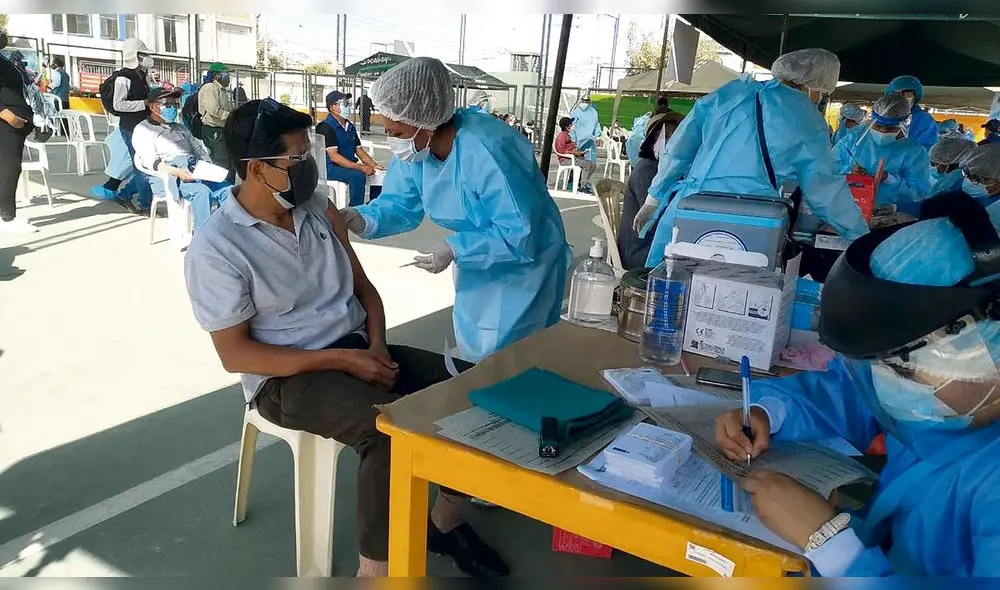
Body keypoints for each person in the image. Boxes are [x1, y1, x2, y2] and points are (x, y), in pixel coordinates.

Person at [184, 98, 509, 578]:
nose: (308, 168)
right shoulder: (218, 247)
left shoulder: (316, 209)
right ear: (256, 169)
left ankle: (442, 522)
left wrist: (375, 345)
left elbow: (365, 291)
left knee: (476, 391)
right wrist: (342, 360)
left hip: (355, 349)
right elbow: (236, 355)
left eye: (308, 154)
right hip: (285, 378)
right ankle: (375, 574)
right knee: (387, 435)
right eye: (296, 160)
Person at [714, 193, 1000, 576]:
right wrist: (767, 413)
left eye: (904, 367)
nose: (890, 382)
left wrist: (832, 546)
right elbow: (853, 392)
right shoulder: (944, 402)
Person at [340, 57, 571, 362]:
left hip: (527, 267)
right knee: (477, 350)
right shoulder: (417, 153)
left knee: (511, 358)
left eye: (395, 133)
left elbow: (519, 231)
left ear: (425, 121)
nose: (392, 142)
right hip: (480, 263)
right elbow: (400, 204)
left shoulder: (487, 148)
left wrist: (454, 247)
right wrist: (362, 219)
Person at [634, 48, 869, 268]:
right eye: (824, 93)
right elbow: (824, 188)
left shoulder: (729, 92)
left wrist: (653, 198)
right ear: (813, 86)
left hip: (691, 208)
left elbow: (678, 149)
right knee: (734, 295)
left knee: (674, 287)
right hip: (750, 220)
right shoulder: (805, 116)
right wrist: (859, 234)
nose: (821, 99)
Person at [132, 86, 229, 230]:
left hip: (194, 170)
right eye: (167, 104)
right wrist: (177, 172)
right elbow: (152, 163)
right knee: (202, 193)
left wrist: (207, 166)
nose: (172, 108)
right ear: (152, 106)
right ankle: (202, 237)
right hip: (169, 176)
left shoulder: (180, 128)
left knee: (229, 190)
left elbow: (198, 149)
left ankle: (224, 231)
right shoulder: (144, 130)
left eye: (174, 104)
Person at [833, 93, 930, 215]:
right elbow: (828, 171)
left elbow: (918, 192)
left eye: (890, 129)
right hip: (848, 209)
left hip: (887, 215)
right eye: (878, 126)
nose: (882, 132)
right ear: (872, 120)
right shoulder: (853, 141)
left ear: (904, 125)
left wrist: (890, 180)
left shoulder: (914, 152)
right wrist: (849, 172)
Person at [94, 37, 155, 213]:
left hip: (144, 125)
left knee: (147, 165)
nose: (147, 58)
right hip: (131, 127)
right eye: (143, 54)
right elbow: (118, 105)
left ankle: (127, 193)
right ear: (134, 55)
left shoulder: (142, 75)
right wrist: (143, 103)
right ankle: (145, 204)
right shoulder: (123, 77)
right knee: (141, 166)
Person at [618, 111, 684, 269]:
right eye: (666, 134)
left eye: (676, 134)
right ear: (653, 139)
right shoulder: (647, 170)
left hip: (651, 244)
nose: (672, 139)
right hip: (641, 251)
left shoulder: (666, 172)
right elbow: (654, 221)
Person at [316, 90, 384, 207]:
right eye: (345, 104)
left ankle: (374, 206)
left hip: (348, 165)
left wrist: (374, 165)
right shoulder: (326, 127)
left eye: (348, 104)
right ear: (333, 107)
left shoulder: (350, 126)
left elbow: (359, 150)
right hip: (331, 168)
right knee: (357, 176)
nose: (349, 107)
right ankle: (355, 210)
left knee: (380, 174)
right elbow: (334, 157)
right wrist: (361, 167)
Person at [0, 28, 36, 233]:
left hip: (15, 123)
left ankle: (4, 213)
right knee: (8, 167)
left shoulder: (2, 58)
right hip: (6, 123)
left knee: (9, 167)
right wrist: (8, 116)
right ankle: (6, 217)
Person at [198, 62, 235, 181]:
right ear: (216, 75)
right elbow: (213, 110)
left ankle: (228, 190)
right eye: (225, 73)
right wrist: (231, 116)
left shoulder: (221, 90)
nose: (228, 77)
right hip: (214, 130)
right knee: (221, 163)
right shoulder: (210, 88)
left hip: (222, 130)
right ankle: (219, 191)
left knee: (229, 163)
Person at [886, 75, 939, 151]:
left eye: (908, 95)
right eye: (897, 94)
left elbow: (923, 150)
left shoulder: (924, 120)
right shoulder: (883, 115)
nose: (902, 98)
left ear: (915, 97)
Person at [554, 116, 596, 192]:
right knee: (587, 164)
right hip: (565, 160)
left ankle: (583, 182)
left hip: (572, 158)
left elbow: (570, 147)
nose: (572, 126)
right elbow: (561, 151)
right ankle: (583, 186)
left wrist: (577, 150)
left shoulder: (567, 135)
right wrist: (573, 152)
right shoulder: (561, 136)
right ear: (567, 126)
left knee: (593, 165)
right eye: (570, 124)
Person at [569, 95, 600, 192]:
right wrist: (573, 139)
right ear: (580, 101)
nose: (585, 103)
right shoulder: (576, 112)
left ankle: (584, 182)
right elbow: (572, 127)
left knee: (592, 164)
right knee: (578, 163)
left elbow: (597, 125)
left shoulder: (593, 112)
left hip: (590, 141)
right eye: (583, 101)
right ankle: (573, 182)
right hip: (578, 141)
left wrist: (597, 136)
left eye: (587, 101)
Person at [957, 143, 1000, 207]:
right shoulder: (957, 183)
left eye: (978, 178)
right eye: (967, 173)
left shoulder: (995, 211)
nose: (969, 181)